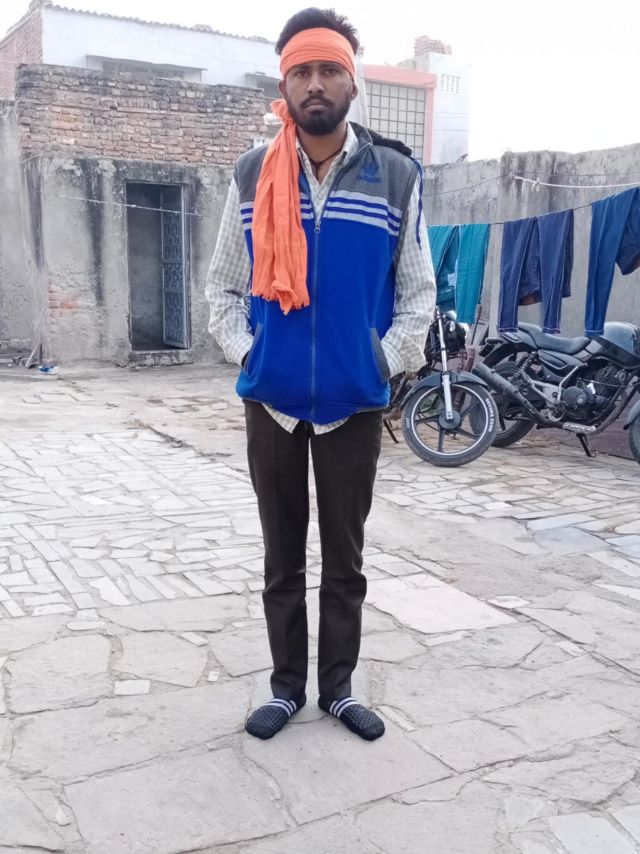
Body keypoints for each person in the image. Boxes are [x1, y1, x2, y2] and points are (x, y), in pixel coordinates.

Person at [206, 7, 435, 741]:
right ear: (284, 84)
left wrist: (379, 359)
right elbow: (222, 287)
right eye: (301, 71)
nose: (315, 84)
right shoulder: (252, 174)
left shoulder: (394, 176)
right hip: (272, 401)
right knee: (282, 557)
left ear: (352, 82)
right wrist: (252, 353)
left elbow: (418, 294)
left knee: (345, 559)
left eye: (329, 70)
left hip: (353, 404)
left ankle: (337, 689)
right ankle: (286, 689)